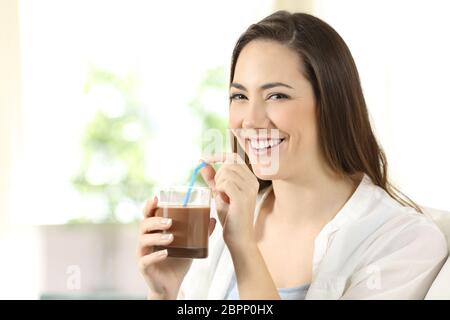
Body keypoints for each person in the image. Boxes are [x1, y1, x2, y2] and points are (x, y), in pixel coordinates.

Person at [137, 10, 448, 300]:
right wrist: (165, 292)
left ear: (331, 103)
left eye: (277, 95)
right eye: (240, 96)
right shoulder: (223, 225)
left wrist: (244, 246)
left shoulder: (403, 241)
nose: (251, 120)